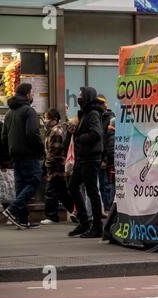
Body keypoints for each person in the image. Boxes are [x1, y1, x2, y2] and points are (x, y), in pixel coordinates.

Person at [1, 83, 45, 229]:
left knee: (21, 186)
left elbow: (4, 136)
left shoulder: (9, 113)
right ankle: (13, 209)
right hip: (29, 154)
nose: (33, 95)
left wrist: (9, 153)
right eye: (32, 92)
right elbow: (32, 133)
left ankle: (22, 219)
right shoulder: (29, 111)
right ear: (27, 94)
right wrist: (40, 149)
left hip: (15, 155)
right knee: (34, 181)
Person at [67, 86, 104, 238]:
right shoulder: (86, 114)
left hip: (90, 158)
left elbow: (96, 133)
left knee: (91, 191)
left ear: (88, 97)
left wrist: (80, 138)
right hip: (83, 158)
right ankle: (84, 223)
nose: (79, 96)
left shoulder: (93, 113)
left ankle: (96, 226)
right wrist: (75, 131)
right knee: (73, 186)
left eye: (82, 94)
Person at [40, 109, 75, 224]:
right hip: (56, 165)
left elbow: (55, 152)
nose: (45, 120)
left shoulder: (56, 132)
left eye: (47, 118)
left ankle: (52, 217)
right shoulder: (52, 131)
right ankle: (77, 212)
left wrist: (48, 164)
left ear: (54, 119)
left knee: (51, 191)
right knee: (62, 192)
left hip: (56, 166)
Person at [98, 95, 115, 217]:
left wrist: (104, 158)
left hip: (105, 157)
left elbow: (107, 140)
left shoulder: (109, 118)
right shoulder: (99, 117)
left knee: (105, 183)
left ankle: (108, 207)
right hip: (101, 155)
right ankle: (106, 207)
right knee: (103, 184)